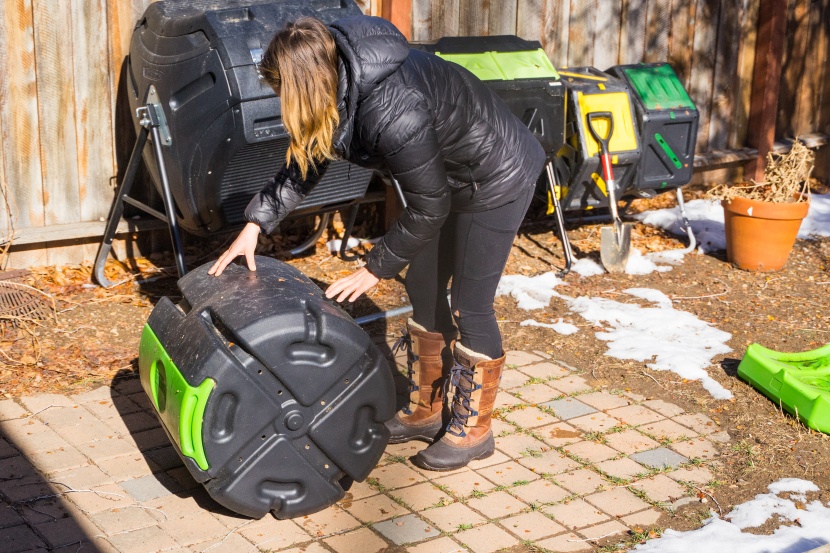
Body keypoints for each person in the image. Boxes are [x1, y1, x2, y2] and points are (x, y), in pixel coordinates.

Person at [209, 15, 546, 471]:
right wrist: (256, 223)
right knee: (423, 287)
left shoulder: (391, 107)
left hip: (496, 176)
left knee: (471, 304)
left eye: (282, 91)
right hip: (447, 181)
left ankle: (474, 430)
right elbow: (308, 157)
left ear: (307, 85)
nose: (278, 100)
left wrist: (373, 268)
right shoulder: (339, 84)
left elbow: (429, 207)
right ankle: (428, 410)